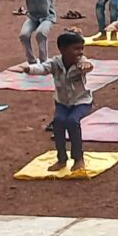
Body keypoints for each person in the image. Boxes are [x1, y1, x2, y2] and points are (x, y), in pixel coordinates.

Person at [21, 31, 96, 173]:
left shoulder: (81, 62)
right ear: (62, 50)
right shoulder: (55, 63)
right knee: (58, 123)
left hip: (82, 101)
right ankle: (61, 159)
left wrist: (87, 65)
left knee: (72, 121)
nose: (80, 52)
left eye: (81, 48)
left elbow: (87, 64)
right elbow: (43, 68)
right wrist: (27, 69)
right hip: (62, 103)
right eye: (76, 49)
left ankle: (78, 159)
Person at [5, 0, 55, 65]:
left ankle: (44, 61)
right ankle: (31, 61)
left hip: (47, 17)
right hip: (32, 17)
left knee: (40, 34)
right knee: (23, 35)